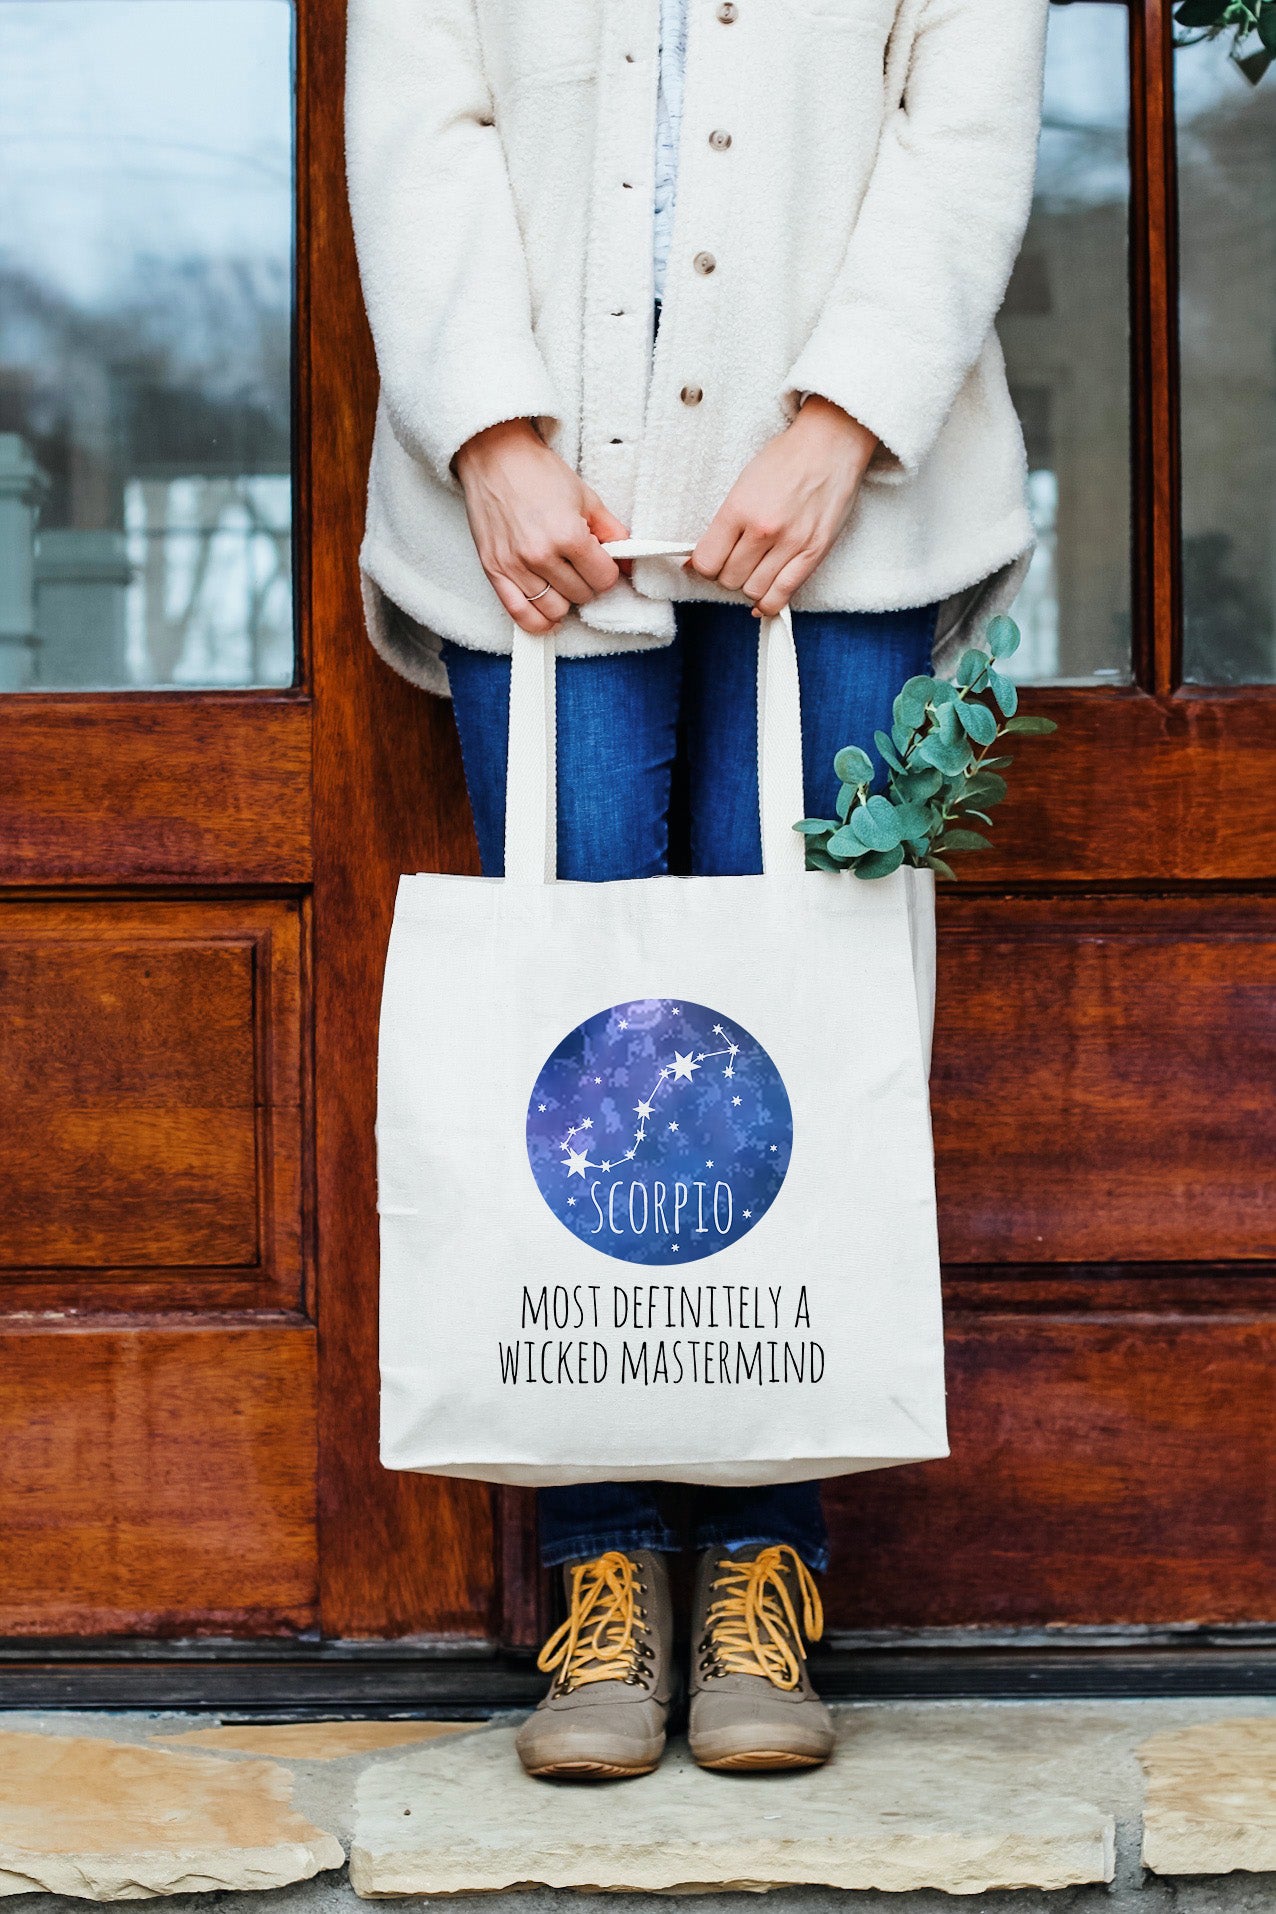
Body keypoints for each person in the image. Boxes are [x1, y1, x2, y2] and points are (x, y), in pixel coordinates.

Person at [346, 0, 1048, 1780]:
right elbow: (426, 122)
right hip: (536, 515)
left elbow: (958, 125)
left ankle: (764, 1571)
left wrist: (840, 425)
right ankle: (599, 1575)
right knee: (579, 1062)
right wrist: (489, 437)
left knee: (791, 1044)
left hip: (856, 508)